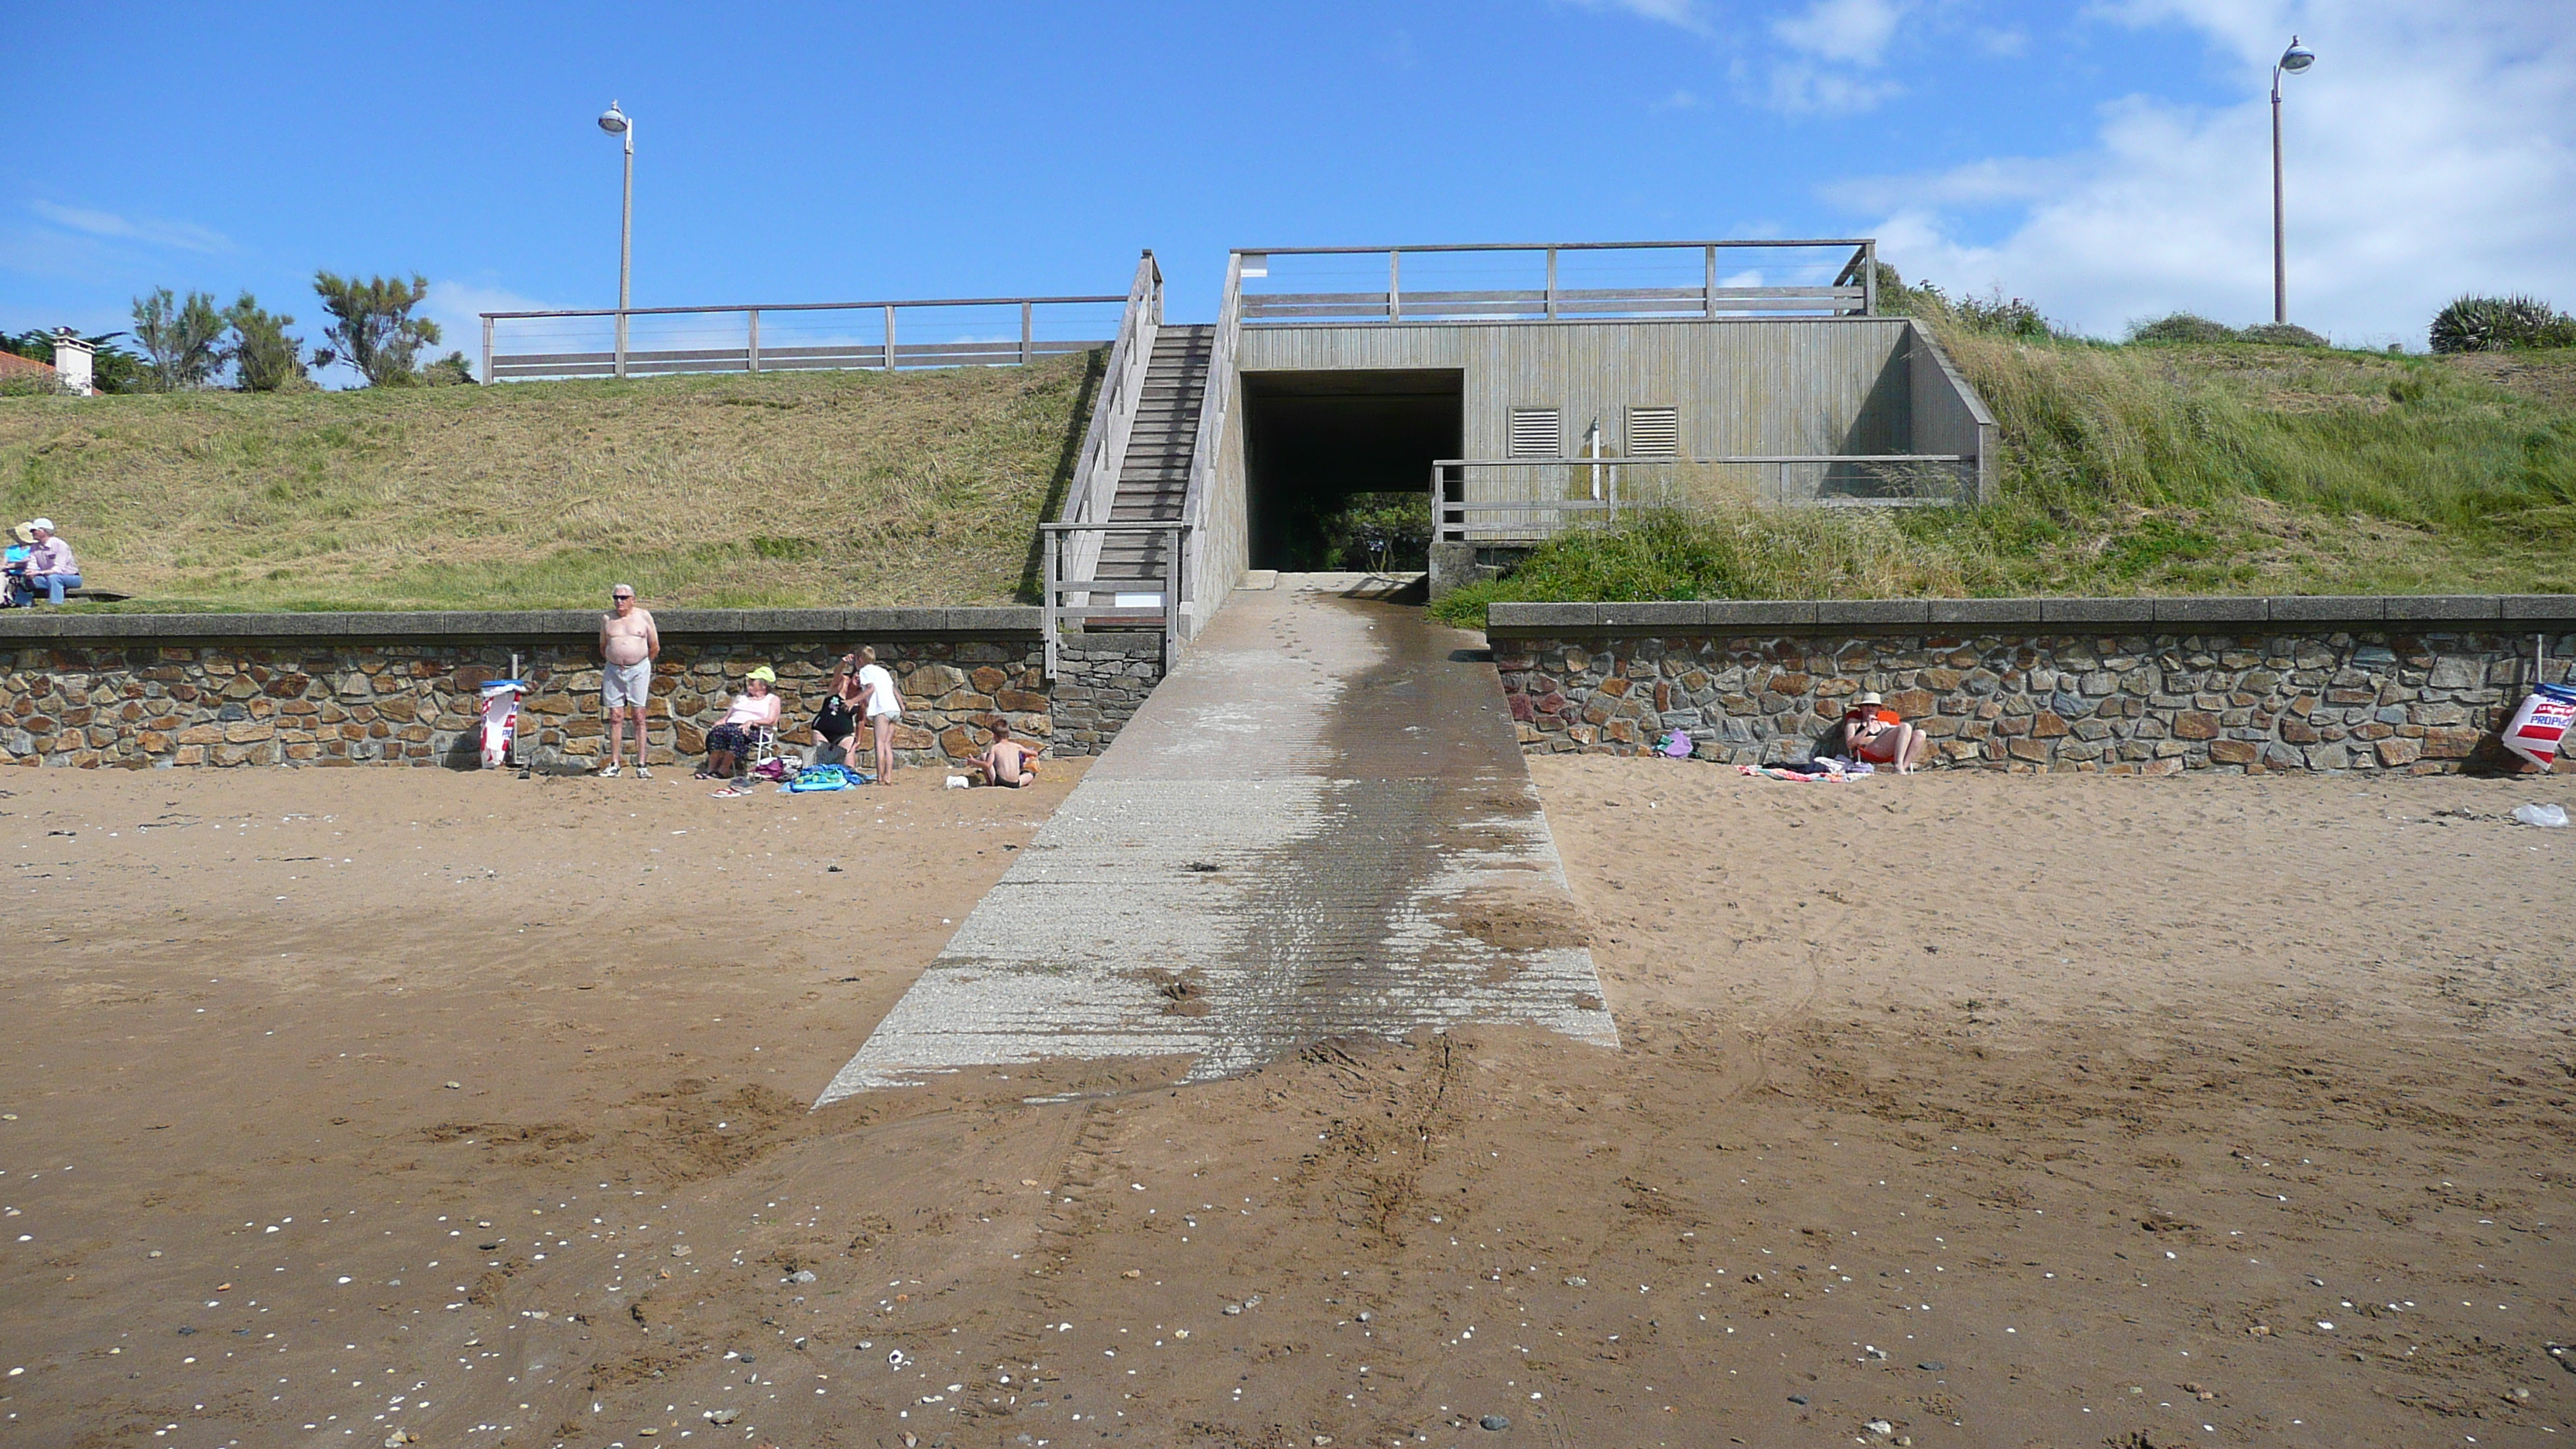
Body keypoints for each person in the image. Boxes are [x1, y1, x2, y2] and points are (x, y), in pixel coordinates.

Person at [597, 584, 660, 779]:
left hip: (639, 668)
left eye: (624, 597)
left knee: (639, 715)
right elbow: (603, 646)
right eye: (616, 597)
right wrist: (617, 660)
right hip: (614, 669)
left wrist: (639, 663)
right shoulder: (608, 618)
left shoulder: (644, 616)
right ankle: (615, 763)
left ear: (633, 599)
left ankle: (641, 764)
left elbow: (654, 646)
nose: (619, 601)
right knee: (615, 716)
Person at [701, 666, 783, 786]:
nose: (749, 682)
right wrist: (720, 722)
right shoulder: (741, 697)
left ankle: (723, 770)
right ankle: (710, 770)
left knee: (737, 733)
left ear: (763, 685)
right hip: (731, 726)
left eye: (753, 680)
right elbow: (727, 717)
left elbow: (771, 720)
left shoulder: (772, 699)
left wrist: (752, 722)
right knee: (717, 731)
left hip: (756, 730)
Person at [1828, 690, 1931, 774]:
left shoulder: (1885, 723)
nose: (1870, 708)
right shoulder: (1854, 722)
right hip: (1868, 750)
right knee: (1905, 726)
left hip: (1889, 751)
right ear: (1861, 708)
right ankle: (1898, 766)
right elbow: (1850, 744)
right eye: (1867, 705)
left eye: (1874, 705)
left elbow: (1901, 734)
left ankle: (1902, 767)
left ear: (1879, 708)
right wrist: (1867, 728)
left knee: (1920, 733)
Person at [852, 646, 903, 786]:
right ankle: (888, 777)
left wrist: (852, 701)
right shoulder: (882, 671)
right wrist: (902, 706)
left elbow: (871, 689)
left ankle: (881, 778)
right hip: (894, 709)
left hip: (882, 709)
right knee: (887, 744)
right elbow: (893, 690)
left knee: (879, 743)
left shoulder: (864, 671)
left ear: (860, 659)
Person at [810, 657, 865, 770]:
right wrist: (843, 662)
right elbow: (837, 673)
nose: (859, 678)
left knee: (849, 770)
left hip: (845, 734)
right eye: (858, 674)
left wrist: (858, 740)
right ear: (854, 672)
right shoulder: (841, 683)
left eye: (863, 676)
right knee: (820, 769)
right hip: (822, 730)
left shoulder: (862, 696)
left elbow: (861, 719)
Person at [15, 519, 79, 606]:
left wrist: (38, 572)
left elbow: (58, 569)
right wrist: (29, 572)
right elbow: (32, 564)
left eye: (34, 530)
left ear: (44, 531)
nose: (32, 532)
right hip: (47, 578)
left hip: (71, 577)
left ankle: (55, 605)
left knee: (54, 578)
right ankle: (23, 605)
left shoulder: (60, 545)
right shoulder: (34, 547)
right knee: (26, 579)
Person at [965, 720, 1041, 788]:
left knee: (984, 756)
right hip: (1015, 783)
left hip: (1000, 782)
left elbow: (988, 765)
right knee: (1030, 775)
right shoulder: (1016, 746)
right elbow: (1035, 753)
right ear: (1008, 734)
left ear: (994, 736)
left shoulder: (995, 748)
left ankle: (990, 783)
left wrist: (973, 762)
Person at [2, 524, 32, 608]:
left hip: (25, 571)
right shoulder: (11, 549)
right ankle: (2, 600)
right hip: (9, 572)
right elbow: (4, 562)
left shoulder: (33, 548)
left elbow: (25, 562)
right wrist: (4, 567)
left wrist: (9, 566)